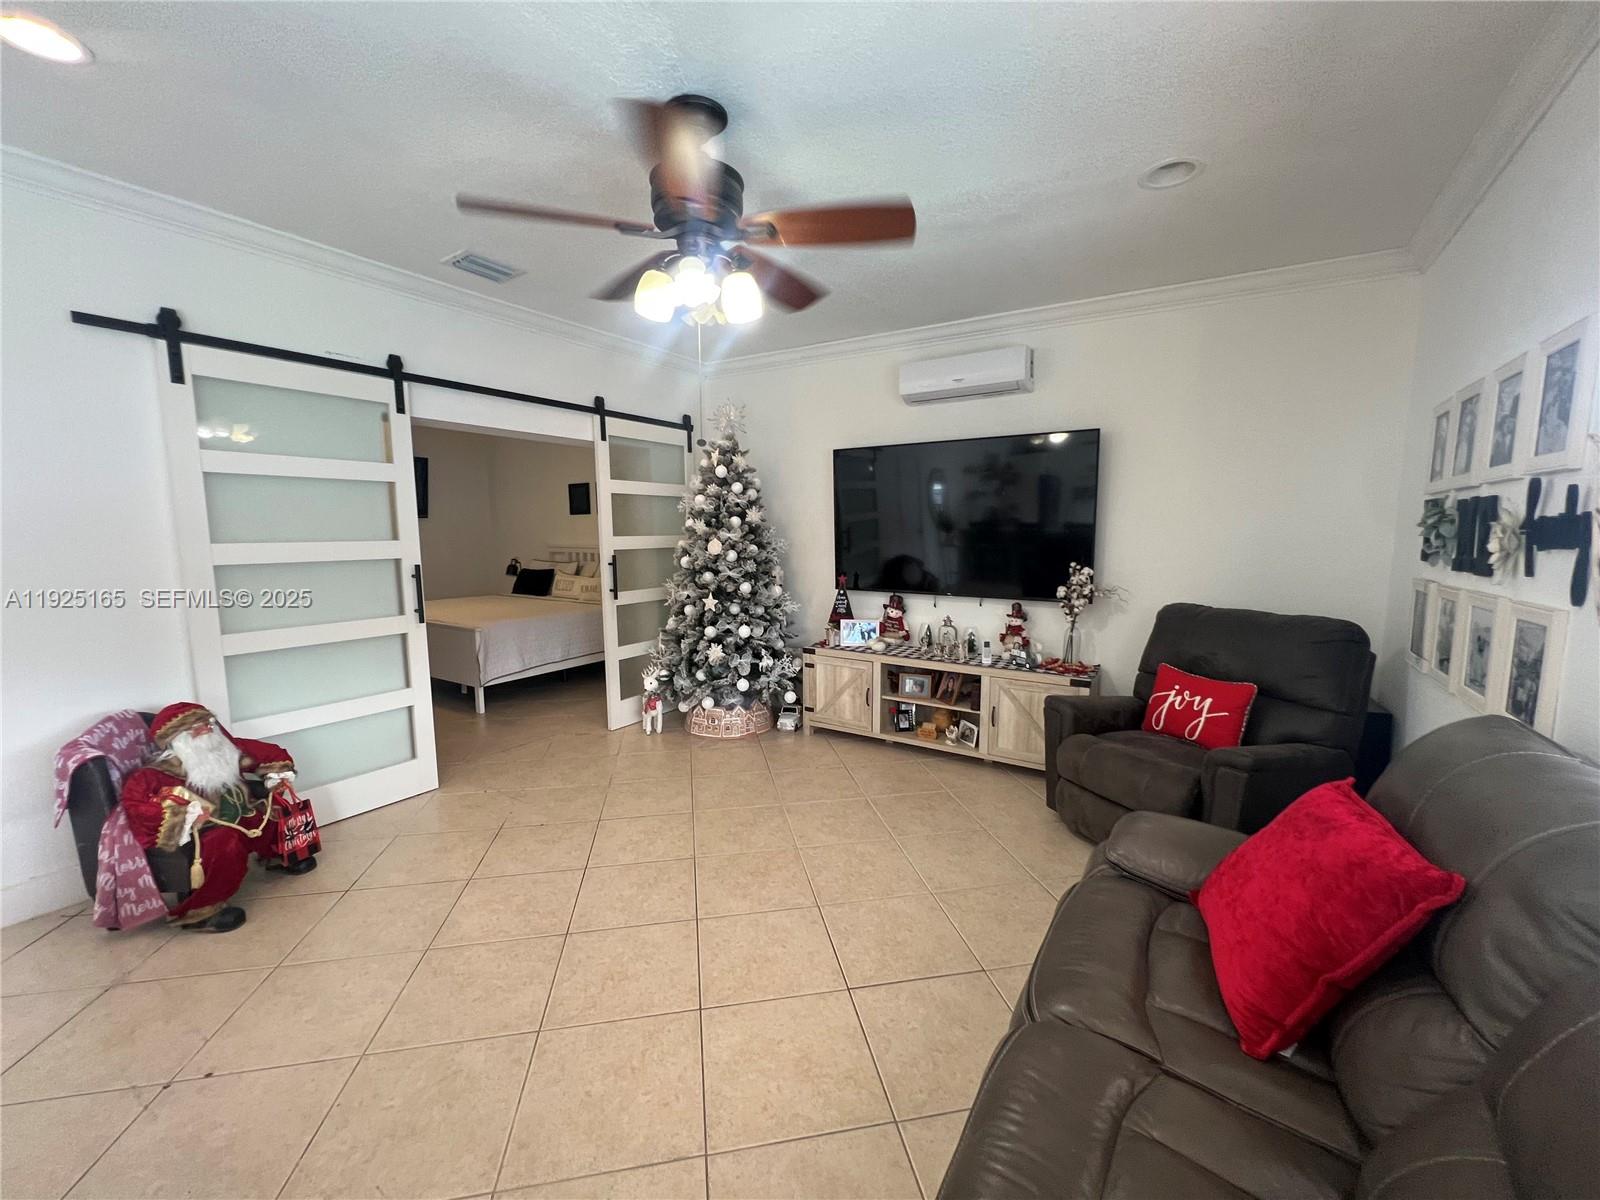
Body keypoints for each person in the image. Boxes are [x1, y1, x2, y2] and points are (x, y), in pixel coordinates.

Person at [118, 702, 319, 932]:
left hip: (243, 812)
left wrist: (277, 774)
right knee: (225, 842)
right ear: (175, 738)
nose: (205, 729)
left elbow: (268, 753)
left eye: (208, 723)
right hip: (205, 829)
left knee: (269, 816)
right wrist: (185, 813)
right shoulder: (154, 774)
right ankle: (203, 910)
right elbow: (136, 804)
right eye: (195, 727)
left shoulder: (226, 751)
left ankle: (278, 856)